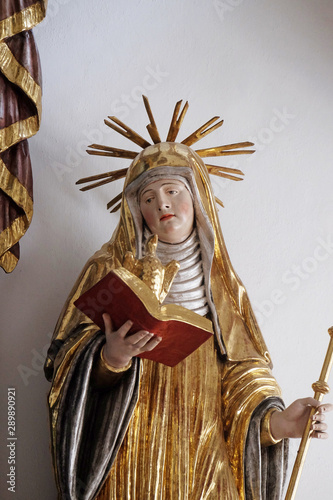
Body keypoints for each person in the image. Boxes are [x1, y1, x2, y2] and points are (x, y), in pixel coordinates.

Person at [44, 114, 331, 500]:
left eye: (172, 190)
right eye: (148, 198)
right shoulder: (108, 270)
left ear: (197, 197)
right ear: (136, 211)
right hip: (131, 451)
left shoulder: (225, 288)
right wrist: (110, 357)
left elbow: (243, 379)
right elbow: (63, 365)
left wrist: (276, 424)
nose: (162, 203)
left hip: (204, 451)